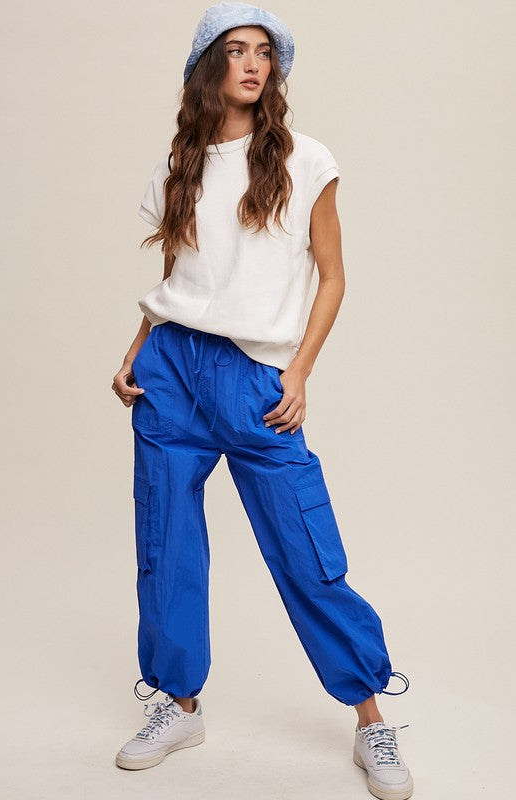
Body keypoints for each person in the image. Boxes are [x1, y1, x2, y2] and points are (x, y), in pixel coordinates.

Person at [111, 3, 413, 798]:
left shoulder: (305, 159)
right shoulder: (178, 163)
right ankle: (178, 705)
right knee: (165, 542)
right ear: (207, 66)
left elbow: (333, 276)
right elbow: (181, 284)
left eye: (264, 54)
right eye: (235, 52)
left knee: (307, 553)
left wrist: (300, 372)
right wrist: (133, 352)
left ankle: (371, 723)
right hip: (171, 368)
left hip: (255, 376)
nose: (252, 65)